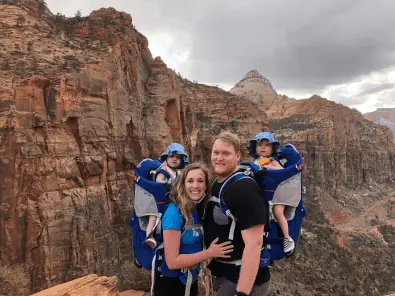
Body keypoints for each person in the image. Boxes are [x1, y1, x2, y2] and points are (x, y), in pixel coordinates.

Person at [201, 131, 271, 296]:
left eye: (226, 153)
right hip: (225, 274)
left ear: (238, 156)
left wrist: (242, 292)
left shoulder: (243, 190)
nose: (219, 158)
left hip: (241, 281)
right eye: (216, 153)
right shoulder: (217, 183)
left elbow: (254, 244)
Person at [154, 163, 234, 296]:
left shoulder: (197, 210)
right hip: (171, 284)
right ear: (183, 184)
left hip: (190, 280)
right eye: (190, 181)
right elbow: (172, 262)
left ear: (206, 186)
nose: (195, 186)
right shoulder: (174, 213)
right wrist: (209, 253)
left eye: (200, 181)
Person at [248, 131, 294, 253]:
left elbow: (282, 171)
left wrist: (271, 168)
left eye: (267, 145)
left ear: (272, 148)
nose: (263, 147)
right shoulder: (256, 162)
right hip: (264, 192)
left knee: (278, 212)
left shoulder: (272, 160)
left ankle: (287, 238)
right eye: (260, 145)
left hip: (278, 192)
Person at [145, 143, 189, 248]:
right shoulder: (163, 171)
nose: (175, 159)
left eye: (178, 157)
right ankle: (149, 236)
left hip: (172, 202)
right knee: (153, 218)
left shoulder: (177, 173)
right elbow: (159, 185)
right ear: (166, 157)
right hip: (158, 202)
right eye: (172, 156)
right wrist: (169, 184)